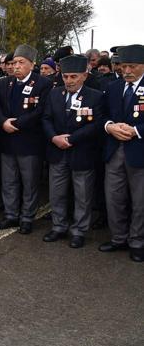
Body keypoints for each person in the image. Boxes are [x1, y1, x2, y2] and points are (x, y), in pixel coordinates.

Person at [41, 54, 103, 249]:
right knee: (57, 193)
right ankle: (59, 226)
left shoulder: (96, 96)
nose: (68, 81)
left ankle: (78, 231)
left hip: (82, 153)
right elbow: (46, 119)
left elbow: (96, 124)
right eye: (66, 76)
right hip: (57, 151)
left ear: (84, 76)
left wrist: (71, 139)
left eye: (73, 77)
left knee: (82, 195)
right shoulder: (54, 94)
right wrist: (53, 138)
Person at [0, 44, 52, 234]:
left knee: (29, 182)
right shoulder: (3, 83)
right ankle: (11, 215)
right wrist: (3, 122)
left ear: (32, 64)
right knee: (9, 181)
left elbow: (40, 111)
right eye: (14, 63)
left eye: (21, 62)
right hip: (7, 140)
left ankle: (27, 217)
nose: (16, 66)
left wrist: (16, 124)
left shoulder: (43, 84)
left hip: (29, 142)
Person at [99, 44, 144, 262]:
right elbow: (102, 113)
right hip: (114, 149)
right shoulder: (114, 87)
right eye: (123, 66)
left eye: (132, 66)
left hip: (139, 151)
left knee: (140, 200)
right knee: (114, 197)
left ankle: (137, 241)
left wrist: (136, 130)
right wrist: (109, 126)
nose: (126, 70)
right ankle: (118, 238)